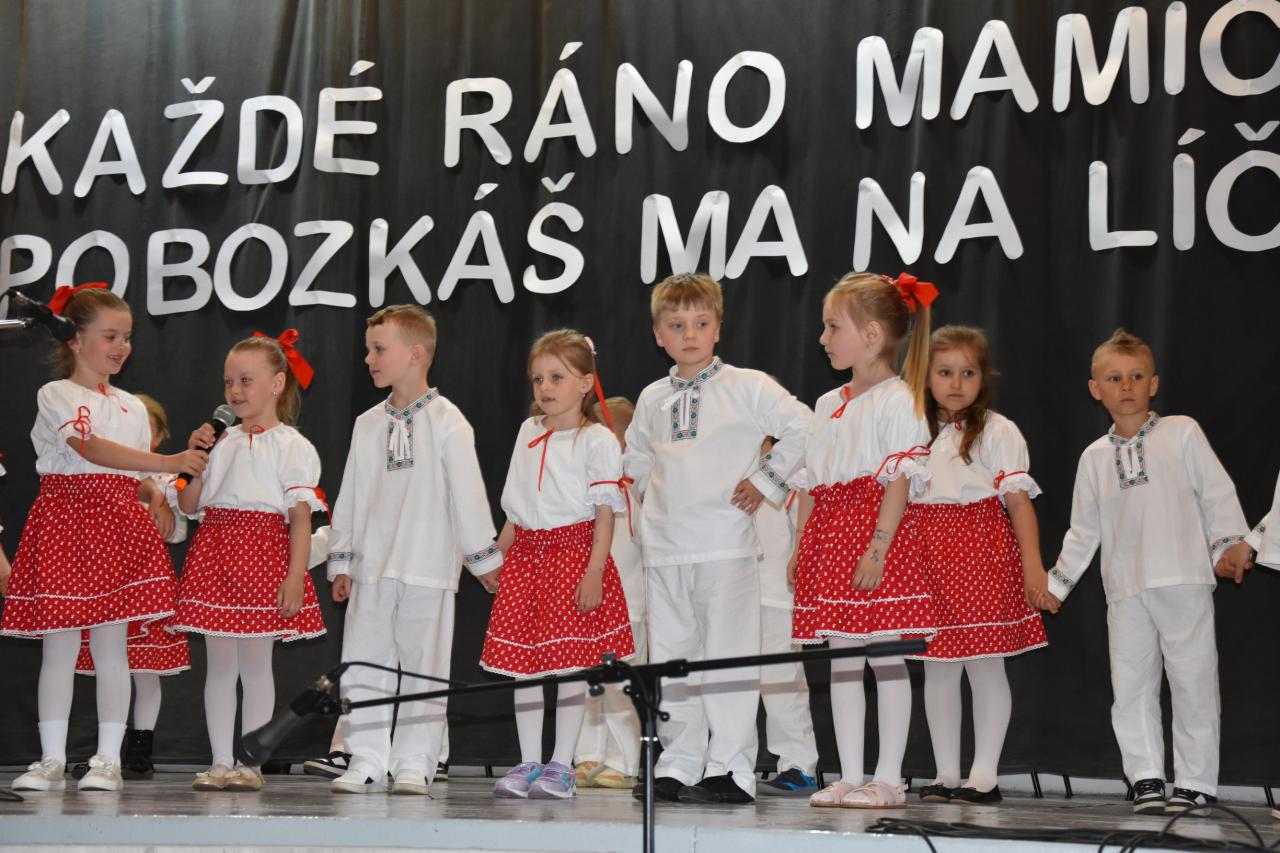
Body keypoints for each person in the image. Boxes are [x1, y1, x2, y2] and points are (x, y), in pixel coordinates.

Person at [1, 283, 206, 792]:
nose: (122, 346)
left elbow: (127, 471)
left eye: (127, 337)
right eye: (110, 336)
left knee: (114, 647)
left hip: (117, 526)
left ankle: (107, 759)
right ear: (74, 339)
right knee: (60, 648)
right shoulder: (57, 395)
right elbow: (89, 448)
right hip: (66, 521)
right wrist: (167, 461)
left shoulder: (133, 407)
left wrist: (153, 491)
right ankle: (50, 758)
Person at [626, 273, 811, 804]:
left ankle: (731, 768)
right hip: (665, 552)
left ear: (718, 328)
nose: (689, 334)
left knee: (729, 659)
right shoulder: (652, 397)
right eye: (676, 325)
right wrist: (655, 499)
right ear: (658, 333)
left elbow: (803, 425)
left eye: (700, 323)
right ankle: (678, 762)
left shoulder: (747, 385)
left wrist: (766, 479)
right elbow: (637, 457)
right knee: (672, 660)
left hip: (726, 545)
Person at [1047, 328, 1248, 817]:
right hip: (1125, 587)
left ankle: (1195, 782)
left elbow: (1216, 492)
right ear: (1095, 388)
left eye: (1137, 376)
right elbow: (1083, 530)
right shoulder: (1094, 457)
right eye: (1115, 378)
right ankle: (1146, 778)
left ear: (1153, 384)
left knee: (1193, 682)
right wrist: (1057, 584)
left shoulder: (1182, 432)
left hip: (1183, 577)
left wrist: (1230, 545)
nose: (1127, 386)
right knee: (1131, 686)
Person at [326, 305, 501, 795]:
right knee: (364, 664)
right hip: (372, 567)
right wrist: (342, 557)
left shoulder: (448, 421)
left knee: (425, 668)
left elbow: (468, 495)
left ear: (415, 354)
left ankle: (415, 761)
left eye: (378, 349)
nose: (368, 359)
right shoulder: (366, 424)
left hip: (428, 565)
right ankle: (366, 757)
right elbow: (351, 494)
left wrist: (483, 559)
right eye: (368, 350)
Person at [791, 271, 935, 809]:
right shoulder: (828, 402)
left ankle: (889, 777)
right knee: (843, 659)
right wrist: (801, 545)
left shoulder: (899, 400)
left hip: (877, 535)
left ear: (872, 334)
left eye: (834, 327)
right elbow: (813, 482)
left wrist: (878, 548)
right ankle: (850, 774)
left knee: (886, 657)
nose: (823, 338)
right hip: (831, 536)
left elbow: (898, 480)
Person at [172, 330, 327, 792]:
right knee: (220, 664)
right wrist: (194, 459)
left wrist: (295, 575)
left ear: (277, 384)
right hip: (216, 550)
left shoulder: (292, 445)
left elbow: (300, 519)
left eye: (245, 380)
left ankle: (251, 762)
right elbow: (188, 505)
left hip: (264, 554)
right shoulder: (218, 441)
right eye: (228, 382)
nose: (234, 391)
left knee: (257, 665)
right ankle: (220, 760)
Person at [482, 330, 634, 800]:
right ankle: (528, 761)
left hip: (572, 557)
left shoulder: (597, 440)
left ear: (585, 383)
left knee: (570, 666)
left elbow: (605, 512)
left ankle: (562, 765)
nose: (545, 387)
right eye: (538, 379)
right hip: (527, 558)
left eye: (557, 377)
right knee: (524, 667)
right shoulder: (528, 432)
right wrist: (497, 556)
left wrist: (594, 572)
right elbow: (516, 508)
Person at [911, 326, 1051, 805]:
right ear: (925, 376)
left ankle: (984, 776)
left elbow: (1019, 504)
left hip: (981, 552)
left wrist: (1033, 568)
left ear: (983, 377)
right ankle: (946, 773)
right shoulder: (912, 430)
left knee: (984, 664)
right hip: (926, 554)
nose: (956, 383)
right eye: (944, 372)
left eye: (967, 373)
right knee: (938, 667)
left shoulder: (997, 430)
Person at [574, 397, 647, 791]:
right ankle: (588, 752)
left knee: (620, 684)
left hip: (629, 604)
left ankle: (624, 757)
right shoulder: (587, 488)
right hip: (590, 601)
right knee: (589, 681)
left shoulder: (633, 492)